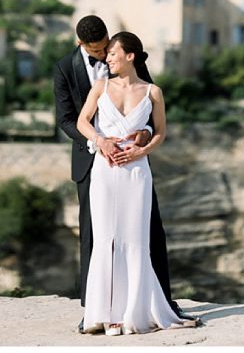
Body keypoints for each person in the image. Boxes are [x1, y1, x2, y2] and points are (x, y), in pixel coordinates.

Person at [53, 16, 196, 332]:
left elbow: (149, 116)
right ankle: (95, 308)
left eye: (108, 47)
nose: (104, 55)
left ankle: (157, 300)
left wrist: (143, 137)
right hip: (92, 159)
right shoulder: (65, 68)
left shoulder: (129, 61)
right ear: (82, 45)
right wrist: (98, 142)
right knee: (96, 236)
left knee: (147, 231)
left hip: (134, 163)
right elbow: (66, 119)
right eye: (98, 49)